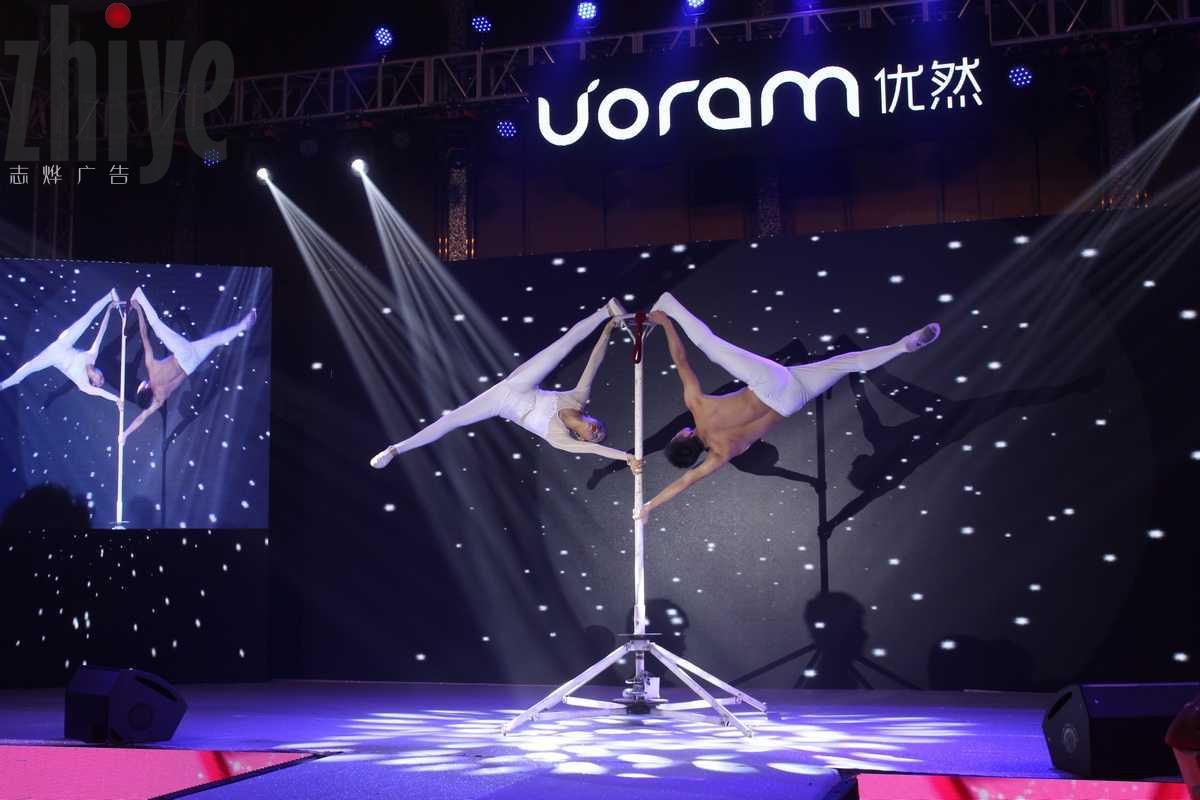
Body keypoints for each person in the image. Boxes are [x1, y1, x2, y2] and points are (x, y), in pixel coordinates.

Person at [637, 292, 939, 520]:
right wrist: (665, 324)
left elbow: (686, 481)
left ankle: (902, 347)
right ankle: (668, 304)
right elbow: (681, 359)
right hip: (767, 384)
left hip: (791, 401)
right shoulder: (698, 407)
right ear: (683, 437)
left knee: (848, 364)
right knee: (710, 346)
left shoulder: (721, 454)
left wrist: (649, 506)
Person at [371, 300, 640, 470]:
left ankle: (395, 449)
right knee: (562, 347)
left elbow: (594, 450)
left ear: (581, 438)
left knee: (451, 420)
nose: (597, 432)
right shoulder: (577, 399)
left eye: (595, 436)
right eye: (600, 428)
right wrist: (607, 330)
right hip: (522, 386)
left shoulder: (560, 439)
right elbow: (594, 362)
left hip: (501, 403)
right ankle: (605, 310)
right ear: (593, 418)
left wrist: (626, 457)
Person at [119, 286, 257, 443]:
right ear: (144, 389)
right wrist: (138, 310)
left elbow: (142, 417)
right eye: (141, 385)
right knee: (157, 326)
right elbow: (144, 334)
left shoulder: (159, 400)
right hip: (182, 355)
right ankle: (139, 295)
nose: (142, 382)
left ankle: (243, 326)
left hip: (191, 365)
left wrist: (126, 434)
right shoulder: (151, 368)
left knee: (215, 340)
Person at [1, 289, 122, 404]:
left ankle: (2, 385)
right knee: (86, 319)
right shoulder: (92, 357)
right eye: (102, 378)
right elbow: (101, 333)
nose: (101, 377)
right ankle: (109, 296)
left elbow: (100, 393)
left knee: (28, 368)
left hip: (54, 357)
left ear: (94, 383)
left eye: (100, 381)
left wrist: (116, 399)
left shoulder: (84, 384)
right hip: (64, 344)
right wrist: (109, 310)